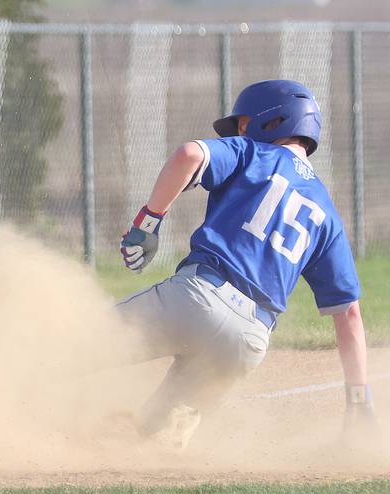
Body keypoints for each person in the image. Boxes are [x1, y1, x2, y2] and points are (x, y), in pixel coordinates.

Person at [117, 79, 376, 450]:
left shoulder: (255, 154)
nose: (241, 131)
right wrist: (358, 400)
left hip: (198, 297)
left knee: (80, 345)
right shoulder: (327, 214)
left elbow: (189, 155)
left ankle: (5, 403)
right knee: (151, 440)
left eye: (244, 123)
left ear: (273, 122)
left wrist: (148, 222)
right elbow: (349, 313)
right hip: (249, 341)